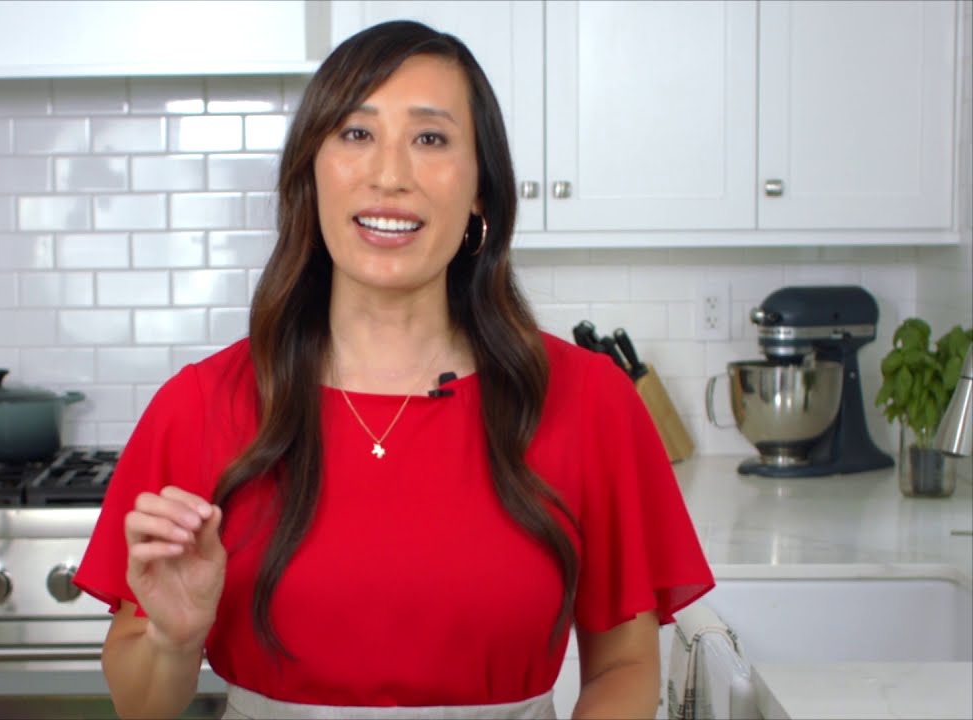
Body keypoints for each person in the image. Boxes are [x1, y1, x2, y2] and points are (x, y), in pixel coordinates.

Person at [75, 19, 714, 720]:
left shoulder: (588, 401)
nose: (389, 175)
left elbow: (624, 665)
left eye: (430, 139)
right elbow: (142, 706)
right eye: (356, 133)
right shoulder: (199, 407)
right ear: (311, 172)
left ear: (481, 189)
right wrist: (172, 640)